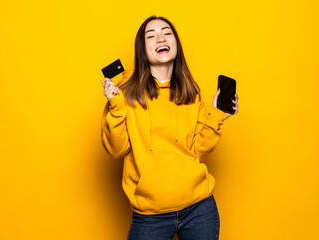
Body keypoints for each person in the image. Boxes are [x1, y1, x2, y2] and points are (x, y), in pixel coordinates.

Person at [100, 15, 238, 240]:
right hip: (150, 215)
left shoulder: (190, 92)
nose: (160, 38)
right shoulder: (124, 93)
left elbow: (197, 152)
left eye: (167, 33)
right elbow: (116, 149)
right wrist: (115, 105)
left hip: (199, 209)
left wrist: (217, 116)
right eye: (151, 36)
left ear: (176, 44)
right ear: (142, 50)